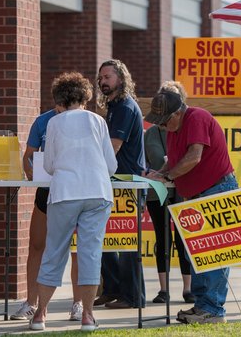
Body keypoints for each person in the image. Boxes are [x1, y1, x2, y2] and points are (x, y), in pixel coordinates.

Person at [29, 71, 117, 332]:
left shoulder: (54, 123)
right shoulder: (98, 121)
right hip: (97, 191)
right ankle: (87, 316)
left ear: (60, 99)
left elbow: (50, 164)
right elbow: (111, 165)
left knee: (54, 251)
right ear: (85, 96)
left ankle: (40, 314)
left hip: (65, 192)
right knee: (90, 253)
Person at [145, 85, 238, 324]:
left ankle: (214, 309)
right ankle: (202, 305)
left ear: (177, 113)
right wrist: (160, 173)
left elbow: (194, 156)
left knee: (214, 252)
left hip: (216, 190)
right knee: (198, 251)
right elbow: (174, 161)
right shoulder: (175, 127)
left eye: (164, 121)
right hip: (198, 194)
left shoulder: (197, 117)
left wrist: (167, 176)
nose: (162, 127)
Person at [11, 114, 83, 321]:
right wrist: (32, 174)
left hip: (75, 191)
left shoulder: (88, 120)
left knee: (77, 248)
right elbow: (29, 156)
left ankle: (78, 304)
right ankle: (31, 303)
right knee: (36, 245)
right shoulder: (43, 121)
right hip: (47, 190)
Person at [93, 59, 147, 309]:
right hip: (116, 182)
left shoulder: (125, 106)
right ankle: (113, 288)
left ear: (121, 79)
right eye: (101, 77)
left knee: (126, 243)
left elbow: (113, 148)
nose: (103, 81)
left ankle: (132, 296)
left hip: (128, 183)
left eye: (108, 77)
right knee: (106, 239)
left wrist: (91, 171)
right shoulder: (114, 106)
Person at [144, 81, 193, 304]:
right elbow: (156, 158)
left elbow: (186, 158)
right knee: (162, 239)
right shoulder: (152, 132)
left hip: (182, 190)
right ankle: (163, 289)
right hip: (158, 192)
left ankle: (188, 288)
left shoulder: (186, 129)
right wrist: (172, 165)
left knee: (184, 239)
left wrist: (171, 166)